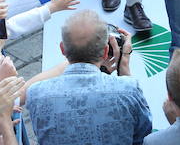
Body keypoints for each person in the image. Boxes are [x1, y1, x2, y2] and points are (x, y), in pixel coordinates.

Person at [26, 10, 152, 145]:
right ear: (105, 52)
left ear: (63, 49)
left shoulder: (36, 94)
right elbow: (143, 135)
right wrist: (124, 64)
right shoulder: (129, 89)